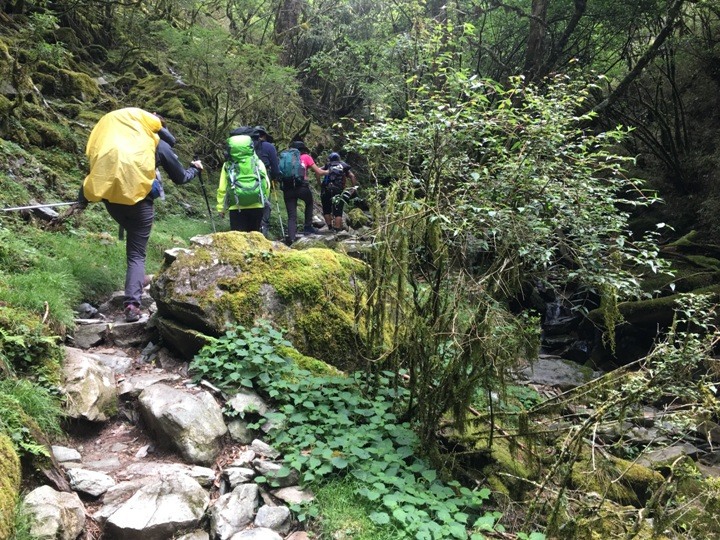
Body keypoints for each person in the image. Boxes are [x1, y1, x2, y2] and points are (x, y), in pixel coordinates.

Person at [80, 108, 202, 322]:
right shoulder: (157, 143)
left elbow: (93, 172)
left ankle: (137, 279)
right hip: (140, 205)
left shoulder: (112, 141)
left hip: (112, 203)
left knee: (134, 248)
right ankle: (132, 305)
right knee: (136, 254)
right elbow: (181, 177)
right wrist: (195, 169)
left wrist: (81, 199)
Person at [216, 134, 270, 233]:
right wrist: (264, 200)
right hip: (257, 205)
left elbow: (222, 188)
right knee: (255, 238)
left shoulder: (227, 165)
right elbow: (266, 184)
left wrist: (221, 208)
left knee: (239, 239)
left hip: (236, 206)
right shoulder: (257, 162)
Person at [283, 141, 326, 244]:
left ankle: (292, 237)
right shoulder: (306, 157)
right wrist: (331, 170)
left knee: (291, 215)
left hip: (287, 188)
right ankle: (307, 227)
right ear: (302, 149)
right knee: (309, 202)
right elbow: (319, 172)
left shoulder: (286, 157)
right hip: (302, 187)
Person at [252, 126, 280, 238]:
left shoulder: (246, 147)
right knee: (265, 204)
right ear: (264, 135)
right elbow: (275, 168)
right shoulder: (269, 146)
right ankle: (263, 232)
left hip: (246, 177)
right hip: (264, 177)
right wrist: (275, 177)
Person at [320, 151, 358, 231]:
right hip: (338, 190)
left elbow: (317, 171)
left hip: (326, 189)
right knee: (338, 210)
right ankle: (337, 230)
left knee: (326, 210)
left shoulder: (328, 165)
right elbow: (352, 176)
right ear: (339, 159)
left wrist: (319, 182)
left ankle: (330, 228)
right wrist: (353, 188)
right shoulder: (343, 166)